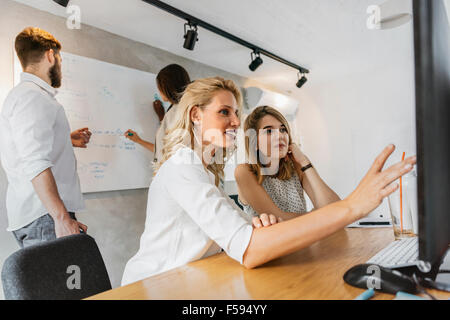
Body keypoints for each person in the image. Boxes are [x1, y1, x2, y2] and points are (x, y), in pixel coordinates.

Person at [121, 77, 416, 285]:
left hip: (192, 280)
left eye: (236, 112)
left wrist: (256, 225)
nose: (236, 121)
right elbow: (248, 250)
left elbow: (240, 230)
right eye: (225, 112)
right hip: (152, 287)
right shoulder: (182, 167)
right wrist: (353, 207)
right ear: (196, 115)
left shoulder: (205, 172)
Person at [0, 27, 90, 248]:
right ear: (51, 55)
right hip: (46, 217)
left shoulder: (23, 96)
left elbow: (26, 149)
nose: (60, 66)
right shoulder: (33, 96)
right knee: (64, 283)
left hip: (41, 216)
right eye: (59, 59)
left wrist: (65, 139)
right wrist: (61, 217)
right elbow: (34, 160)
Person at [235, 106, 340, 221]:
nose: (280, 135)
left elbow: (335, 210)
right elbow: (279, 219)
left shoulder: (297, 167)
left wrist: (304, 161)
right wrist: (320, 214)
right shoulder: (244, 171)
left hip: (307, 237)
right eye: (269, 131)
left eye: (283, 130)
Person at [124, 64, 191, 163]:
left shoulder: (179, 112)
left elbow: (165, 152)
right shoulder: (180, 109)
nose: (159, 91)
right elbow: (162, 150)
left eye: (159, 87)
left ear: (166, 87)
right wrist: (162, 117)